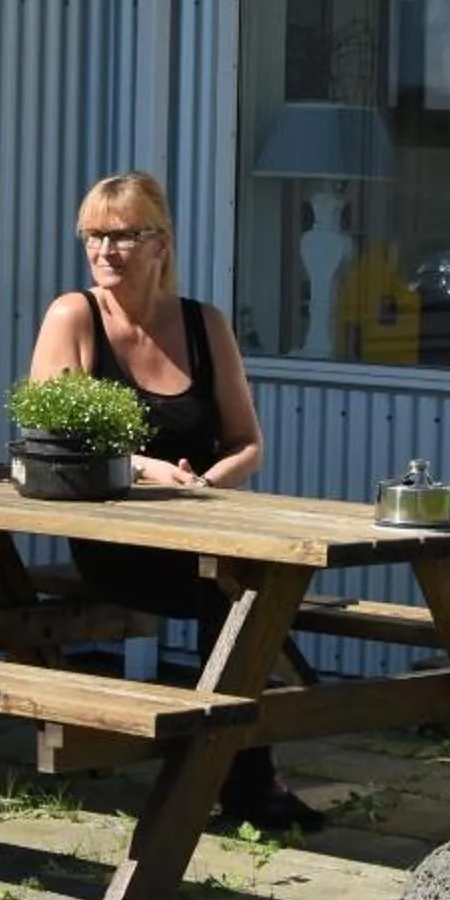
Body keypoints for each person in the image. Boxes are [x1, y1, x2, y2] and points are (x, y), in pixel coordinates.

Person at [28, 170, 321, 832]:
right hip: (115, 540)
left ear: (161, 242)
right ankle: (244, 779)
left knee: (246, 585)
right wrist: (148, 468)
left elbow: (247, 443)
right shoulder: (73, 315)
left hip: (201, 527)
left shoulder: (203, 323)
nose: (104, 250)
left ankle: (225, 768)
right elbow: (51, 437)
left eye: (123, 235)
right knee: (240, 592)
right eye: (93, 236)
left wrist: (207, 484)